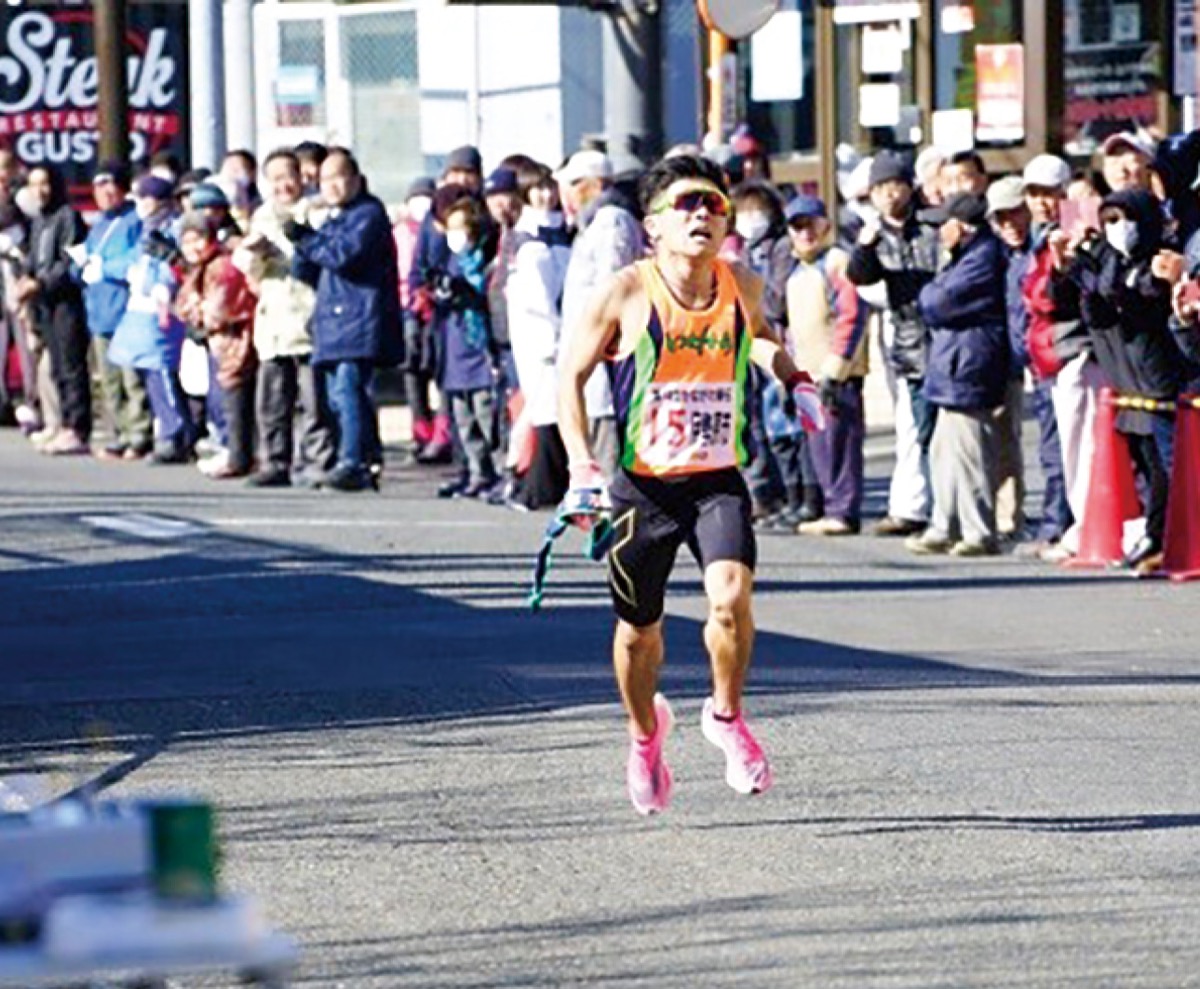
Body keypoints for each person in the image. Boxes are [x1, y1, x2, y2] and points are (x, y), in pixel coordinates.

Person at [557, 153, 825, 816]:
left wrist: (796, 379)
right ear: (653, 226)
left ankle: (726, 716)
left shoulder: (743, 283)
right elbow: (569, 376)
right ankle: (645, 736)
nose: (702, 214)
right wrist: (580, 466)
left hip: (715, 480)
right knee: (636, 632)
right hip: (641, 489)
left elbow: (757, 338)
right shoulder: (624, 290)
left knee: (731, 598)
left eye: (712, 203)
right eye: (686, 204)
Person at [289, 148, 399, 491]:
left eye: (338, 177)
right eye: (324, 180)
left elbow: (343, 256)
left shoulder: (368, 214)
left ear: (355, 179)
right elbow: (305, 269)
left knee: (350, 389)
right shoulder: (334, 218)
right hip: (333, 317)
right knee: (340, 395)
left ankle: (353, 460)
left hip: (360, 315)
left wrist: (308, 238)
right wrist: (302, 238)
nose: (331, 186)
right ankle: (363, 458)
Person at [907, 192, 1009, 557]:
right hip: (954, 365)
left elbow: (936, 302)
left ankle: (978, 530)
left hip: (971, 363)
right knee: (942, 451)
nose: (937, 232)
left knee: (970, 453)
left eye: (942, 225)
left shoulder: (982, 258)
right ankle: (944, 523)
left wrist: (937, 276)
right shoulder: (967, 256)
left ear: (962, 228)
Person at [846, 151, 940, 536]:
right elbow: (860, 277)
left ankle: (938, 506)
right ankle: (910, 507)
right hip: (906, 343)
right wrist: (865, 246)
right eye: (881, 189)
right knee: (913, 428)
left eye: (894, 186)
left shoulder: (932, 227)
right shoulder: (873, 236)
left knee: (939, 430)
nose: (889, 195)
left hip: (943, 338)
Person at [235, 149, 336, 488]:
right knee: (273, 401)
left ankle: (316, 461)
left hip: (308, 317)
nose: (283, 185)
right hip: (273, 321)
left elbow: (318, 258)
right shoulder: (261, 216)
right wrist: (254, 253)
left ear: (300, 178)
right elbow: (249, 272)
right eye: (275, 179)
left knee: (314, 401)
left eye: (288, 177)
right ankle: (275, 461)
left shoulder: (316, 212)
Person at [783, 194, 868, 536]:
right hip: (806, 373)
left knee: (840, 442)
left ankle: (843, 510)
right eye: (797, 226)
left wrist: (838, 366)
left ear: (826, 226)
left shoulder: (837, 262)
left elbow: (853, 314)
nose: (805, 232)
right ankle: (832, 505)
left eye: (811, 224)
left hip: (835, 373)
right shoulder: (796, 271)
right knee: (819, 444)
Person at [557, 148, 644, 477]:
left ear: (588, 185)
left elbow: (613, 286)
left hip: (604, 359)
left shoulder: (612, 220)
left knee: (607, 457)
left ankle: (615, 525)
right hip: (588, 357)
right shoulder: (593, 223)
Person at [175, 212, 258, 479]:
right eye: (187, 242)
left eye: (198, 239)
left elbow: (220, 309)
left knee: (234, 399)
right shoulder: (200, 268)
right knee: (222, 398)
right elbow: (183, 305)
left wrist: (200, 311)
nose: (193, 247)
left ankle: (238, 455)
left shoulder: (223, 266)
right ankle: (232, 450)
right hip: (216, 344)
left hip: (235, 341)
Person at [81, 160, 153, 461]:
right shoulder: (98, 226)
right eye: (100, 186)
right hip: (99, 311)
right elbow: (86, 258)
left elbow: (139, 257)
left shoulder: (133, 220)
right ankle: (121, 432)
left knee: (131, 377)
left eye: (112, 185)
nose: (107, 192)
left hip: (126, 309)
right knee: (109, 380)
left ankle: (139, 433)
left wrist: (108, 269)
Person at [17, 164, 90, 455]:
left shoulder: (67, 217)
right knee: (56, 365)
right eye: (34, 184)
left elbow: (71, 260)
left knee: (71, 365)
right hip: (44, 303)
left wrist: (40, 282)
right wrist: (26, 276)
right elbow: (34, 257)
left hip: (66, 300)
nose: (40, 190)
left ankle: (77, 427)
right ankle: (61, 423)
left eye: (45, 183)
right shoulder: (39, 221)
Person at [433, 195, 500, 497]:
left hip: (478, 348)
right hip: (453, 347)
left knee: (487, 415)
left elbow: (482, 295)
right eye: (450, 228)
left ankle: (499, 470)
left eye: (460, 228)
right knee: (463, 419)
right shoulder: (449, 260)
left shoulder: (484, 258)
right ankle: (477, 471)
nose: (455, 235)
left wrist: (466, 292)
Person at [985, 176, 1030, 540]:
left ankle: (1013, 518)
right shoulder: (992, 254)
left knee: (1011, 441)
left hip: (1036, 357)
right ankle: (1003, 518)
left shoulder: (1040, 249)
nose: (1010, 225)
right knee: (1000, 442)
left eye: (1016, 213)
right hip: (998, 358)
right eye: (1001, 218)